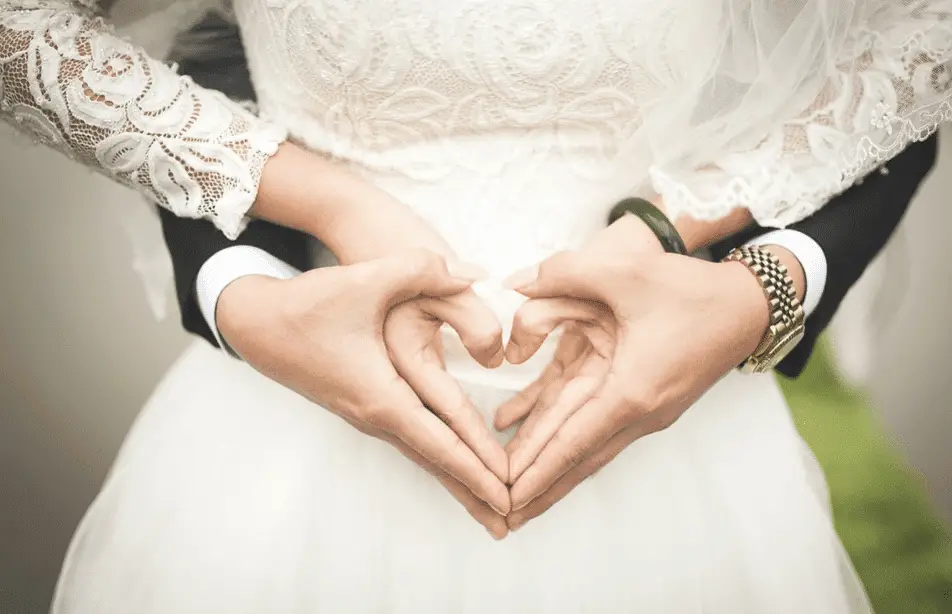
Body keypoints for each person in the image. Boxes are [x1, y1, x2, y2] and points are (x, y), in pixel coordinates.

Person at [0, 1, 947, 612]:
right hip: (298, 429)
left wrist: (711, 258)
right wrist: (322, 205)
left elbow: (920, 33)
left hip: (671, 429)